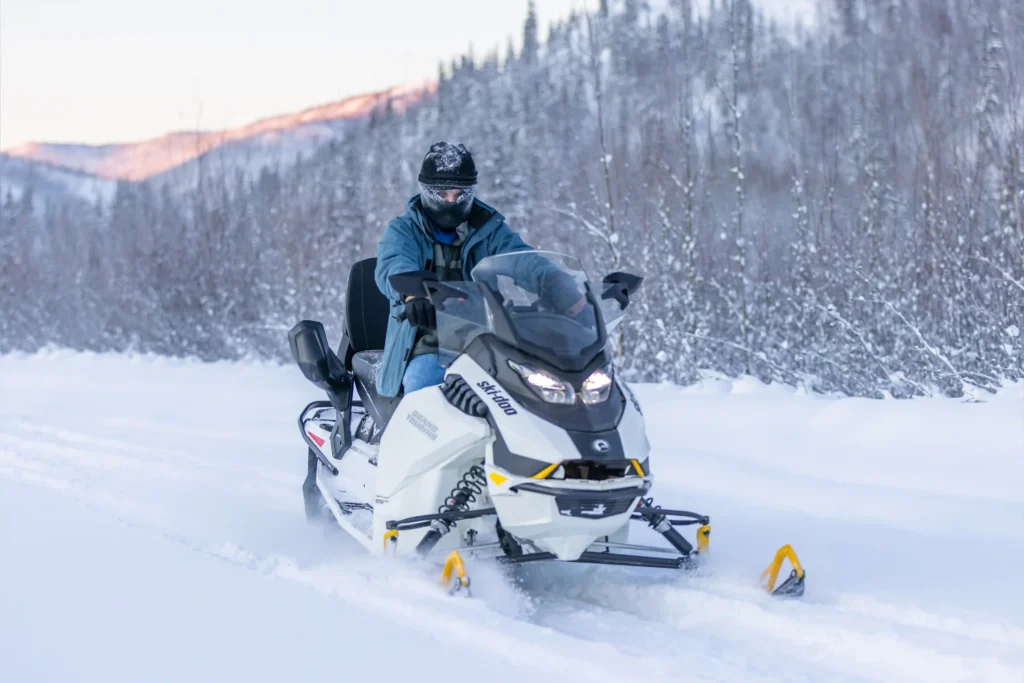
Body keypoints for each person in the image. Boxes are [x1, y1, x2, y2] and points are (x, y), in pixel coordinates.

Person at [374, 141, 588, 398]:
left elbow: (522, 259)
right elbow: (395, 263)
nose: (450, 202)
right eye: (441, 194)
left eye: (459, 195)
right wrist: (414, 292)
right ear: (426, 191)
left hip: (487, 337)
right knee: (423, 386)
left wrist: (556, 283)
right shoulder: (404, 230)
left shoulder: (488, 229)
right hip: (425, 339)